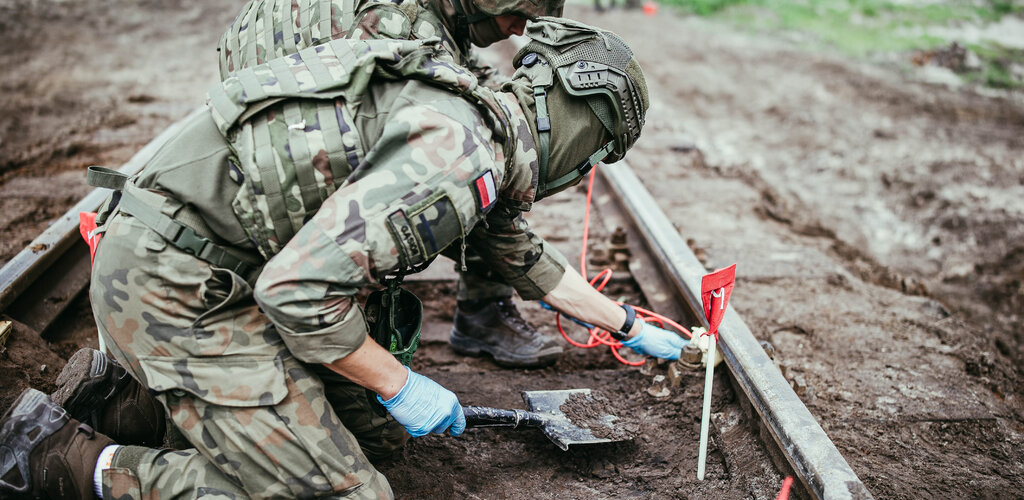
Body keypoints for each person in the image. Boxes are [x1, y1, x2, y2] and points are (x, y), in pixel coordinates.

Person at [0, 19, 686, 500]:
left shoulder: (476, 120)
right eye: (594, 158)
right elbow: (298, 295)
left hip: (202, 265)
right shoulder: (462, 152)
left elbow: (515, 252)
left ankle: (126, 403)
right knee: (347, 493)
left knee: (370, 438)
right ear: (582, 125)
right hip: (177, 289)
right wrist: (399, 383)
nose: (581, 175)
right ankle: (66, 460)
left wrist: (626, 324)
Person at [219, 0, 568, 370]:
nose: (518, 29)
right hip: (290, 146)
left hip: (271, 101)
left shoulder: (436, 12)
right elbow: (418, 155)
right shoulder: (400, 22)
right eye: (518, 15)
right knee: (474, 170)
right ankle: (340, 316)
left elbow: (459, 68)